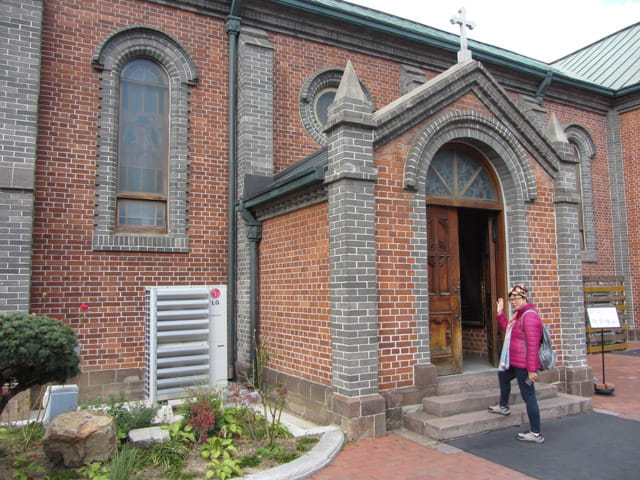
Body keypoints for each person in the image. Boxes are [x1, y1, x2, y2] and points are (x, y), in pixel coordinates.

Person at [488, 283, 545, 444]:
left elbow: (533, 344)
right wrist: (500, 314)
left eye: (517, 298)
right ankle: (503, 406)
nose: (513, 302)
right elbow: (509, 331)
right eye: (511, 299)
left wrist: (532, 369)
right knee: (503, 375)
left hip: (524, 364)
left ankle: (535, 433)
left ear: (525, 298)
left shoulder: (529, 316)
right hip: (514, 361)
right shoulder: (518, 315)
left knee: (528, 395)